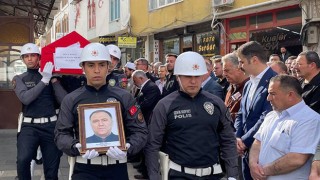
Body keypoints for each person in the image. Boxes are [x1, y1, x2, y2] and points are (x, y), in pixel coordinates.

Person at [54, 43, 148, 180]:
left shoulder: (124, 97)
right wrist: (75, 146)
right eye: (91, 65)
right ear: (83, 67)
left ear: (108, 67)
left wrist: (129, 146)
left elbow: (140, 131)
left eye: (101, 65)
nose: (97, 70)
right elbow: (61, 134)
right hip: (84, 168)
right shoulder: (71, 99)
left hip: (117, 168)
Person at [145, 51, 238, 180]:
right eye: (188, 76)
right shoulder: (165, 105)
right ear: (178, 76)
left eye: (197, 76)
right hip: (179, 175)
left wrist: (233, 175)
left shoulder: (216, 103)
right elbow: (153, 145)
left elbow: (228, 139)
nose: (193, 81)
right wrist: (154, 176)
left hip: (212, 175)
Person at [12, 43, 67, 180]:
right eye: (26, 56)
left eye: (33, 55)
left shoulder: (52, 76)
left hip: (51, 126)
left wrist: (53, 78)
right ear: (23, 59)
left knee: (51, 169)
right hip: (29, 127)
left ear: (39, 57)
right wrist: (44, 81)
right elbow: (25, 98)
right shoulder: (19, 78)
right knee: (23, 160)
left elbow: (65, 101)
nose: (30, 59)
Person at [249, 75, 320, 180]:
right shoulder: (271, 115)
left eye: (272, 94)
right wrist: (253, 164)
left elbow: (297, 159)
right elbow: (258, 142)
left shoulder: (310, 120)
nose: (268, 98)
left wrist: (263, 171)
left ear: (290, 95)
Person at [235, 41, 277, 180]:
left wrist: (244, 141)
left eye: (241, 62)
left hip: (263, 151)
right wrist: (237, 137)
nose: (240, 66)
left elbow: (267, 116)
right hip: (245, 151)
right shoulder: (248, 84)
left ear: (254, 60)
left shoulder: (275, 81)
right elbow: (241, 113)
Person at [222, 52, 249, 122]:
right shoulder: (231, 87)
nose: (224, 74)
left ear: (239, 68)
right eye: (223, 71)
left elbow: (247, 116)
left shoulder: (250, 88)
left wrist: (221, 116)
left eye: (227, 71)